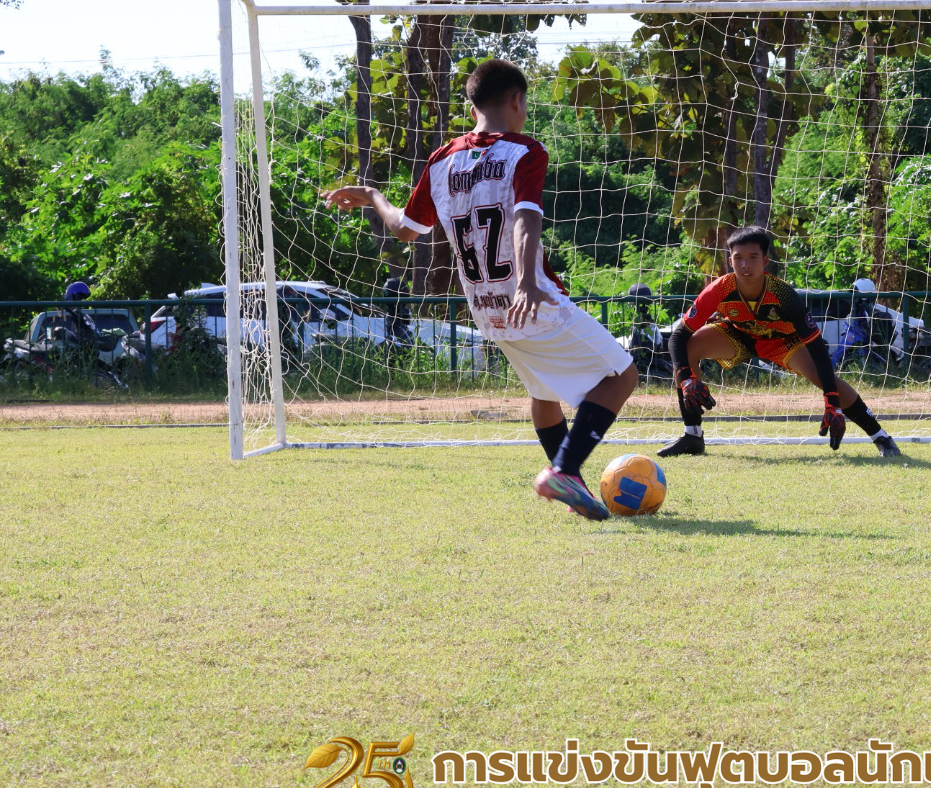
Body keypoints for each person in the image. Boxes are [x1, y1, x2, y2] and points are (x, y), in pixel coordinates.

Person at [327, 58, 636, 520]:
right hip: (530, 299)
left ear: (473, 108)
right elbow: (526, 216)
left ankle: (570, 484)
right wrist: (527, 281)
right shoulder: (524, 151)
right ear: (517, 101)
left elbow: (406, 229)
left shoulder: (442, 161)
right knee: (623, 374)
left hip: (487, 310)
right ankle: (565, 470)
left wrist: (373, 196)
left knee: (543, 393)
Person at [658, 225, 901, 458]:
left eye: (753, 257)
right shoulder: (718, 290)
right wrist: (687, 379)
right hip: (738, 335)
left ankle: (881, 437)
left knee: (824, 378)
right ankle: (693, 435)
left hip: (782, 342)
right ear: (730, 261)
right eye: (738, 257)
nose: (745, 264)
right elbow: (678, 337)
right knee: (689, 348)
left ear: (765, 260)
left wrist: (832, 402)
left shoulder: (784, 294)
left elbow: (817, 347)